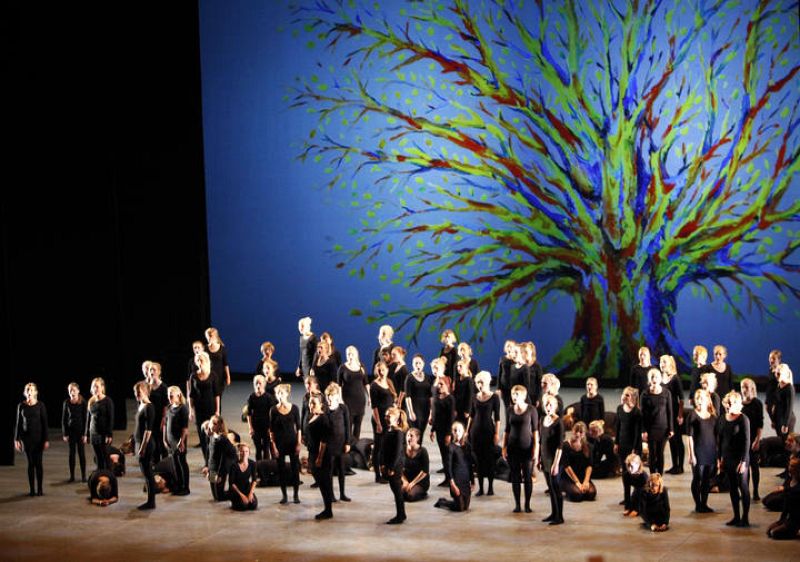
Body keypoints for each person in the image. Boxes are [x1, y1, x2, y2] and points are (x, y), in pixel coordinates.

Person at [503, 384, 539, 512]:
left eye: (517, 394)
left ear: (523, 396)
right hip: (513, 448)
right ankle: (517, 504)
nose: (514, 397)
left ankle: (527, 505)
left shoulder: (531, 410)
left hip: (527, 448)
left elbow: (535, 431)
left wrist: (536, 449)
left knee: (527, 476)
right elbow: (507, 430)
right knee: (515, 477)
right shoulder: (509, 410)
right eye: (513, 394)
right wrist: (504, 447)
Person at [718, 390, 751, 527]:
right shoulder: (722, 418)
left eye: (732, 403)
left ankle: (745, 518)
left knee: (743, 486)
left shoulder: (743, 419)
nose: (729, 405)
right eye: (728, 403)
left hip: (740, 458)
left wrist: (743, 462)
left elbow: (747, 442)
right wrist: (719, 459)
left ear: (738, 404)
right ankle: (736, 516)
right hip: (727, 457)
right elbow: (720, 440)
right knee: (732, 487)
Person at [468, 371, 500, 497]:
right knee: (478, 461)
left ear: (487, 382)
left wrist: (496, 434)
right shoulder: (474, 397)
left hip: (488, 432)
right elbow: (471, 416)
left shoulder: (494, 397)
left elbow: (497, 418)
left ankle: (490, 487)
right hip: (475, 432)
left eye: (482, 382)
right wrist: (466, 431)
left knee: (490, 460)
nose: (480, 385)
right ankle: (481, 488)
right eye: (478, 383)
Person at [686, 389, 718, 513]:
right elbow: (689, 437)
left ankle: (704, 503)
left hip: (710, 450)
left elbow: (716, 436)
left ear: (707, 400)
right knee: (697, 477)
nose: (699, 401)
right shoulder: (692, 415)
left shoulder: (713, 416)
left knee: (706, 479)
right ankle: (698, 504)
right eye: (697, 398)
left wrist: (718, 453)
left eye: (701, 398)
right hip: (698, 451)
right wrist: (691, 455)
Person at [15, 383, 49, 497]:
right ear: (25, 393)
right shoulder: (21, 406)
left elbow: (45, 424)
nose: (29, 392)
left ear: (35, 392)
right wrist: (16, 439)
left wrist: (46, 439)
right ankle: (32, 490)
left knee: (38, 464)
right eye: (28, 390)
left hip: (39, 439)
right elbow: (18, 423)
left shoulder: (40, 405)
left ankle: (40, 489)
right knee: (30, 464)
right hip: (26, 439)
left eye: (31, 390)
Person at [270, 384, 302, 504]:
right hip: (280, 444)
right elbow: (271, 431)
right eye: (278, 393)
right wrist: (274, 446)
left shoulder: (294, 408)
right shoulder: (273, 410)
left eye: (282, 393)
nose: (280, 395)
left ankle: (296, 495)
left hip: (292, 442)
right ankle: (284, 496)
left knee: (295, 469)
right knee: (281, 470)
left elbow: (298, 428)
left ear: (287, 394)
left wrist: (298, 443)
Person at [434, 421, 474, 512]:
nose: (457, 433)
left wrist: (473, 481)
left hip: (465, 480)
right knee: (460, 508)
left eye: (459, 431)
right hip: (456, 481)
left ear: (463, 432)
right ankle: (442, 502)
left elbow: (469, 465)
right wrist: (452, 484)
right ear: (452, 432)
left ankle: (450, 501)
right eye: (455, 431)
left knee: (466, 507)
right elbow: (448, 467)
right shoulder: (450, 447)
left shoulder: (467, 447)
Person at [641, 368, 673, 476]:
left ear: (660, 379)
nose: (654, 379)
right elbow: (642, 414)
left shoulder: (666, 393)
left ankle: (659, 478)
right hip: (650, 429)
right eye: (652, 377)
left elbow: (670, 411)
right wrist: (643, 430)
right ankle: (652, 476)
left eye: (656, 377)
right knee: (652, 454)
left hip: (663, 428)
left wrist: (671, 428)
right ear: (649, 380)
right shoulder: (645, 394)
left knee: (660, 454)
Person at [189, 351, 219, 465]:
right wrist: (191, 410)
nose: (199, 362)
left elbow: (216, 394)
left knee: (211, 435)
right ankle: (207, 462)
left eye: (201, 360)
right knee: (202, 436)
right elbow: (191, 395)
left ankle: (213, 461)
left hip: (210, 409)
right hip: (199, 410)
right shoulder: (193, 376)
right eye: (197, 361)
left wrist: (217, 410)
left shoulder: (213, 375)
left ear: (206, 361)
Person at [307, 393, 334, 520]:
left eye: (314, 403)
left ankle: (328, 510)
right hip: (313, 453)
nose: (311, 405)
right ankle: (327, 508)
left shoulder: (323, 419)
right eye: (310, 402)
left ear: (321, 405)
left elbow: (324, 441)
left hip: (322, 456)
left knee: (324, 482)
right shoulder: (312, 415)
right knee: (321, 481)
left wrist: (319, 458)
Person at [615, 387, 642, 510]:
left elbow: (637, 432)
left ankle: (635, 498)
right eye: (623, 394)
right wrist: (616, 443)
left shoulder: (636, 412)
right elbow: (618, 427)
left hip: (633, 446)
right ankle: (627, 498)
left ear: (632, 398)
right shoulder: (619, 409)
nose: (624, 397)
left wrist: (634, 449)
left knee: (635, 473)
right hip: (622, 444)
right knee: (625, 473)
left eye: (627, 395)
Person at [539, 394, 564, 524]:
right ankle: (553, 513)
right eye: (546, 405)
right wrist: (539, 458)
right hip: (545, 458)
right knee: (550, 487)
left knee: (556, 488)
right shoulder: (542, 419)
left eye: (550, 405)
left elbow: (560, 446)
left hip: (554, 460)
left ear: (555, 407)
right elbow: (541, 441)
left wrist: (556, 464)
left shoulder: (558, 422)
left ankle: (559, 517)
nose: (548, 407)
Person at [370, 361, 397, 483]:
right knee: (378, 447)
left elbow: (392, 399)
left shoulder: (389, 382)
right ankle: (377, 475)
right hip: (379, 419)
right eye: (379, 370)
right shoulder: (374, 385)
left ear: (387, 370)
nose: (381, 372)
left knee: (387, 446)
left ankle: (385, 471)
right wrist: (378, 424)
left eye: (383, 369)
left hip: (389, 420)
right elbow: (374, 407)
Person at [325, 383, 352, 502]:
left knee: (341, 469)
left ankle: (342, 493)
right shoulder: (325, 409)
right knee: (329, 470)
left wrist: (348, 442)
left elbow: (347, 426)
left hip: (341, 443)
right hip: (329, 444)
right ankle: (330, 495)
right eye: (328, 396)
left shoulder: (343, 408)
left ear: (337, 396)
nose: (330, 398)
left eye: (332, 396)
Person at [382, 406, 408, 524]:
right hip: (389, 464)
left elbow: (397, 452)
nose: (386, 418)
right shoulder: (389, 430)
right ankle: (401, 514)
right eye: (386, 416)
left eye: (389, 416)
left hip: (395, 465)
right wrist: (383, 464)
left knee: (397, 491)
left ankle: (400, 515)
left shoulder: (398, 433)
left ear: (397, 419)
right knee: (395, 490)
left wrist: (392, 467)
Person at [430, 372, 456, 487]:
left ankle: (451, 478)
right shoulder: (437, 398)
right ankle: (447, 477)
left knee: (448, 456)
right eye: (438, 384)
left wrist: (449, 434)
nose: (439, 386)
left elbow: (451, 418)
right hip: (439, 430)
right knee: (443, 455)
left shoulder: (450, 399)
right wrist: (432, 430)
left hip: (446, 431)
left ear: (447, 385)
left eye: (441, 384)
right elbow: (435, 416)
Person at [338, 345, 369, 440]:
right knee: (348, 424)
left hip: (360, 399)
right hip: (347, 400)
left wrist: (370, 397)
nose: (350, 356)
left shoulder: (361, 367)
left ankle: (356, 444)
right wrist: (340, 399)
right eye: (348, 354)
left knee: (358, 424)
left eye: (352, 354)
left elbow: (366, 383)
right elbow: (339, 385)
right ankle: (348, 443)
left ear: (356, 355)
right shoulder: (342, 368)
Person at [660, 355, 685, 474]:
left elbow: (681, 399)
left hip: (674, 413)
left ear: (670, 364)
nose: (662, 364)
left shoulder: (675, 379)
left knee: (678, 439)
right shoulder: (660, 379)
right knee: (671, 440)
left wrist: (680, 415)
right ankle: (675, 465)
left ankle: (680, 466)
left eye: (664, 362)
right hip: (665, 414)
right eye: (661, 362)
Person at [133, 381, 156, 510]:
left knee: (148, 474)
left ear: (146, 392)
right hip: (139, 443)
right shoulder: (140, 405)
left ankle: (151, 502)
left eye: (139, 392)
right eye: (135, 392)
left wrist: (142, 447)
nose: (136, 394)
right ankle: (150, 501)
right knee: (145, 473)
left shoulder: (149, 407)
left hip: (146, 445)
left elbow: (148, 431)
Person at [560, 421, 597, 502]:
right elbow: (567, 467)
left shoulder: (588, 446)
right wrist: (577, 482)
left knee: (591, 494)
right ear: (572, 431)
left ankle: (579, 489)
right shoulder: (565, 445)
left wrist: (586, 481)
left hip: (582, 476)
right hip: (568, 477)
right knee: (577, 495)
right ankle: (566, 489)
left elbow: (589, 465)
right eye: (576, 431)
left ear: (584, 433)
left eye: (581, 432)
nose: (578, 434)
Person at [740, 378, 764, 501]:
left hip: (753, 439)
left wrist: (757, 440)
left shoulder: (757, 403)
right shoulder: (739, 404)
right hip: (741, 441)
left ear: (752, 389)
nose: (744, 390)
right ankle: (745, 491)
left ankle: (755, 491)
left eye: (747, 387)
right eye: (742, 387)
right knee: (744, 468)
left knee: (754, 466)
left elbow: (760, 424)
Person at [165, 385, 190, 495]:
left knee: (182, 462)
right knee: (175, 463)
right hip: (171, 440)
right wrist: (164, 439)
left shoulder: (183, 408)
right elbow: (166, 423)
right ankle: (179, 485)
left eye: (171, 396)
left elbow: (185, 428)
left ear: (178, 395)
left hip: (179, 440)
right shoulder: (169, 407)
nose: (169, 398)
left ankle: (186, 487)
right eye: (168, 396)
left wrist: (182, 441)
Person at [84, 377, 114, 471]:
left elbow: (110, 418)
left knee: (105, 457)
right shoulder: (91, 401)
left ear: (102, 387)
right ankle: (100, 474)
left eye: (97, 386)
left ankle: (109, 475)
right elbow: (88, 419)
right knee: (98, 458)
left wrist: (109, 435)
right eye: (93, 387)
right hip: (93, 433)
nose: (95, 389)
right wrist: (86, 434)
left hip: (103, 433)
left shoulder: (108, 401)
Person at [205, 415, 237, 502]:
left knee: (220, 497)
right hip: (213, 466)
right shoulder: (211, 436)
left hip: (222, 467)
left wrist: (219, 475)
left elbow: (223, 459)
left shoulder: (222, 440)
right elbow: (209, 453)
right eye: (211, 423)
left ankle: (236, 494)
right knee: (215, 496)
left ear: (218, 426)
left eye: (214, 424)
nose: (211, 425)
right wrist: (207, 467)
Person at [766, 457, 800, 540]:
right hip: (788, 516)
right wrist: (781, 520)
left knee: (774, 533)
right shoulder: (790, 480)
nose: (790, 468)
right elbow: (786, 505)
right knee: (769, 531)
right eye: (789, 465)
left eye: (792, 466)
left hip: (795, 519)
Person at [247, 374, 277, 461]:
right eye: (256, 383)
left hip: (266, 427)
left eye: (260, 383)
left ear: (264, 384)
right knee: (258, 449)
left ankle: (266, 467)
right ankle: (258, 466)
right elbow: (249, 414)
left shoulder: (269, 398)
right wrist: (250, 428)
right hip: (256, 427)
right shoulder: (251, 397)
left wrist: (270, 428)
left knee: (266, 449)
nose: (258, 385)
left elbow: (272, 415)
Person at [62, 382, 87, 482]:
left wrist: (85, 434)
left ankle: (83, 476)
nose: (72, 392)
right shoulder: (66, 402)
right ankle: (72, 476)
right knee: (71, 454)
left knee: (81, 454)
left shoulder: (83, 402)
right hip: (71, 432)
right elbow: (64, 419)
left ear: (78, 391)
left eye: (74, 390)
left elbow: (86, 419)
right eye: (70, 390)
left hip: (80, 432)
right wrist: (65, 433)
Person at [146, 362, 169, 464]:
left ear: (159, 372)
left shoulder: (163, 387)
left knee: (161, 440)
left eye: (154, 370)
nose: (152, 372)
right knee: (153, 441)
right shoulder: (147, 386)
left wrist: (164, 418)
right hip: (150, 417)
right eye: (150, 370)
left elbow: (166, 404)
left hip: (160, 417)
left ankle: (165, 463)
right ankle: (155, 462)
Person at [404, 354, 432, 434]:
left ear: (423, 364)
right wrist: (411, 412)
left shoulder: (428, 377)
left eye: (419, 363)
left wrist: (431, 412)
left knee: (421, 433)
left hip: (425, 410)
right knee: (414, 433)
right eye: (416, 363)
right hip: (414, 409)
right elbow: (407, 397)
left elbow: (431, 396)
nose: (418, 365)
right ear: (412, 364)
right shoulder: (409, 378)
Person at [401, 428, 430, 502]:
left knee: (410, 496)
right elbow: (398, 468)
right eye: (407, 435)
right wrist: (405, 481)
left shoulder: (423, 451)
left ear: (417, 438)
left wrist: (412, 483)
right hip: (407, 478)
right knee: (399, 495)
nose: (409, 438)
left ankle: (423, 493)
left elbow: (425, 471)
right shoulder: (402, 449)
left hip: (419, 481)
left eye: (411, 436)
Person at [205, 327, 231, 406]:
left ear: (215, 336)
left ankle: (217, 412)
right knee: (210, 396)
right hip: (209, 376)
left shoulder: (222, 349)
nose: (209, 338)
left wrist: (228, 377)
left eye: (211, 336)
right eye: (208, 336)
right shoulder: (205, 349)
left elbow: (225, 364)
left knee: (218, 396)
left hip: (219, 377)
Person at [229, 443, 259, 511]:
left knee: (253, 505)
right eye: (242, 451)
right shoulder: (234, 465)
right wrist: (242, 495)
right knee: (243, 506)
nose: (244, 453)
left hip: (247, 488)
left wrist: (251, 493)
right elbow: (231, 483)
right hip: (236, 491)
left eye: (246, 451)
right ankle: (234, 502)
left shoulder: (252, 464)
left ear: (249, 453)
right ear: (239, 453)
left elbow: (254, 480)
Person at [775, 363, 796, 441]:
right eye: (776, 373)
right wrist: (774, 419)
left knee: (788, 442)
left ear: (784, 374)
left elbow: (789, 408)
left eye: (779, 373)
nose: (776, 375)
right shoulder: (779, 385)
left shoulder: (790, 388)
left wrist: (785, 424)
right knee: (781, 440)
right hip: (779, 418)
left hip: (787, 420)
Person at [623, 453, 647, 517]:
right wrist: (627, 508)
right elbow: (627, 492)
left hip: (647, 493)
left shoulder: (643, 476)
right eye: (629, 466)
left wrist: (637, 510)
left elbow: (642, 493)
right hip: (637, 490)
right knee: (633, 498)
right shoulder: (626, 475)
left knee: (638, 495)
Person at [764, 349, 783, 430]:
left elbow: (779, 388)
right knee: (768, 410)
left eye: (774, 358)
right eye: (770, 358)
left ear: (779, 360)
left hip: (776, 399)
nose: (771, 360)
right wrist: (767, 400)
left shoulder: (780, 372)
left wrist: (775, 403)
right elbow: (770, 385)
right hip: (769, 397)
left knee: (777, 417)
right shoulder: (770, 369)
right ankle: (774, 422)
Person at [453, 359, 475, 426]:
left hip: (464, 409)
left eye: (460, 366)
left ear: (466, 367)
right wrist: (454, 409)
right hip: (457, 408)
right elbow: (455, 395)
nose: (458, 368)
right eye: (458, 366)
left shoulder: (469, 380)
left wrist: (467, 410)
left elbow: (470, 396)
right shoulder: (457, 380)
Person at [497, 339, 517, 410]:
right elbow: (500, 373)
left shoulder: (517, 359)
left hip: (514, 386)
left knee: (515, 405)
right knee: (507, 407)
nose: (509, 348)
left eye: (511, 346)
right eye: (508, 346)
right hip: (504, 387)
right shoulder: (502, 359)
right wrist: (498, 388)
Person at [521, 342, 542, 406]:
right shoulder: (519, 365)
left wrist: (539, 398)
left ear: (531, 352)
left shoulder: (537, 366)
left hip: (533, 396)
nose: (524, 354)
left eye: (526, 351)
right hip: (521, 396)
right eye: (523, 352)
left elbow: (539, 384)